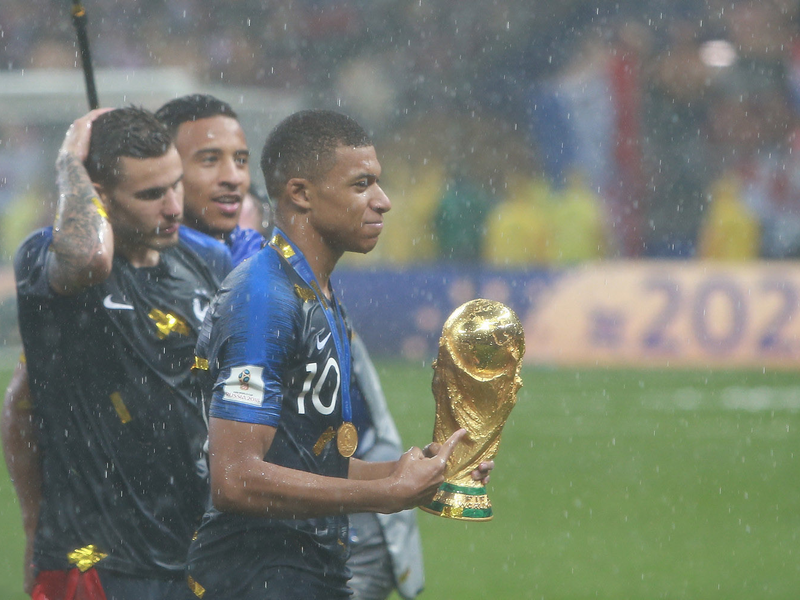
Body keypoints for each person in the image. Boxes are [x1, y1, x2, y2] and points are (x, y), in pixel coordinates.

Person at [184, 109, 493, 600]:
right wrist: (382, 495)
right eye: (361, 185)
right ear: (301, 194)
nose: (384, 202)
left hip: (305, 571)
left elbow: (312, 464)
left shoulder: (318, 294)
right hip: (255, 577)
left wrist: (410, 473)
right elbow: (234, 477)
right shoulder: (265, 298)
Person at [8, 107, 230, 600]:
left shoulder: (205, 260)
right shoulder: (45, 261)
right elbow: (90, 256)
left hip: (197, 559)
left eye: (175, 184)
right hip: (93, 565)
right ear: (100, 197)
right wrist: (71, 162)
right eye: (151, 194)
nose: (174, 206)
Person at [154, 94, 264, 265]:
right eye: (210, 160)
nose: (233, 178)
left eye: (240, 160)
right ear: (164, 171)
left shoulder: (269, 262)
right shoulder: (144, 270)